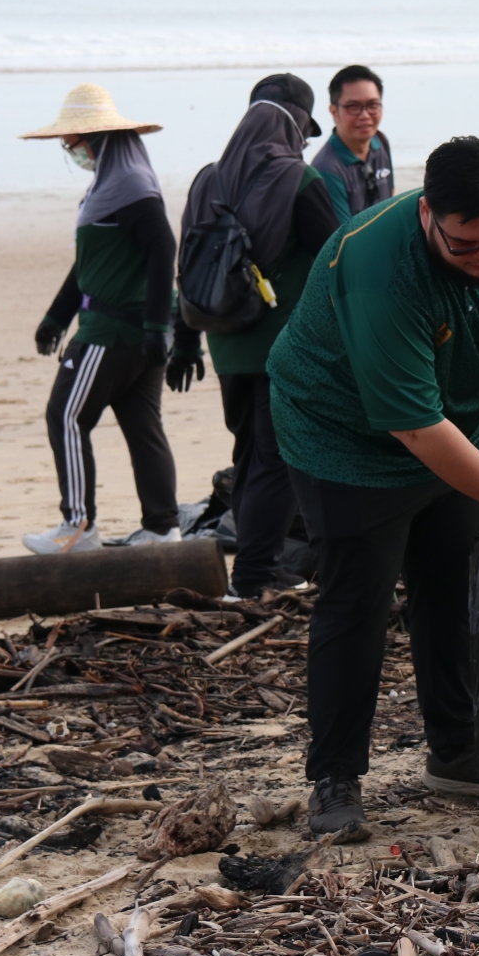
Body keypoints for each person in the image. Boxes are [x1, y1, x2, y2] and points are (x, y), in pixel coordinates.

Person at [267, 135, 479, 833]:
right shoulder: (379, 268)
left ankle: (456, 751)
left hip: (452, 424)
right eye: (466, 246)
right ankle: (335, 777)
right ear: (428, 216)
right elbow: (415, 429)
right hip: (343, 437)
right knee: (355, 603)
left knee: (452, 588)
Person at [172, 74, 340, 599]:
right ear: (294, 124)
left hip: (224, 343)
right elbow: (338, 258)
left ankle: (262, 568)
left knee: (250, 456)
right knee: (278, 460)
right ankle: (254, 577)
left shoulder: (207, 180)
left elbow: (188, 266)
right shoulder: (300, 180)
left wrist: (183, 341)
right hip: (282, 346)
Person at [21, 83, 181, 555]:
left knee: (66, 416)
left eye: (72, 144)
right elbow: (90, 267)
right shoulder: (109, 189)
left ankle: (77, 527)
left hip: (114, 332)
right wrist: (56, 316)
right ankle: (162, 529)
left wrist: (157, 325)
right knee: (141, 426)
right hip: (128, 331)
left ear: (97, 141)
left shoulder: (130, 188)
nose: (72, 152)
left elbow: (163, 248)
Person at [311, 65, 394, 223]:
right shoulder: (326, 169)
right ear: (334, 112)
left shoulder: (381, 142)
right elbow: (344, 238)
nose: (365, 115)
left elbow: (391, 197)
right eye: (353, 107)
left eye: (372, 105)